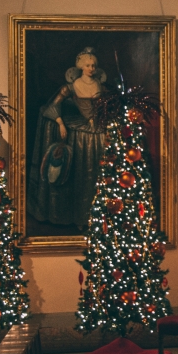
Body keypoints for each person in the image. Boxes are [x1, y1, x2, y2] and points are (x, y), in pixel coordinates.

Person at [28, 47, 109, 230]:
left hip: (96, 131)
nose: (91, 68)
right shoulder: (71, 86)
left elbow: (107, 108)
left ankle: (96, 217)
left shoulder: (100, 86)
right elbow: (51, 106)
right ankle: (79, 216)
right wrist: (60, 123)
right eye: (88, 65)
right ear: (80, 66)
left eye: (94, 65)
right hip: (80, 135)